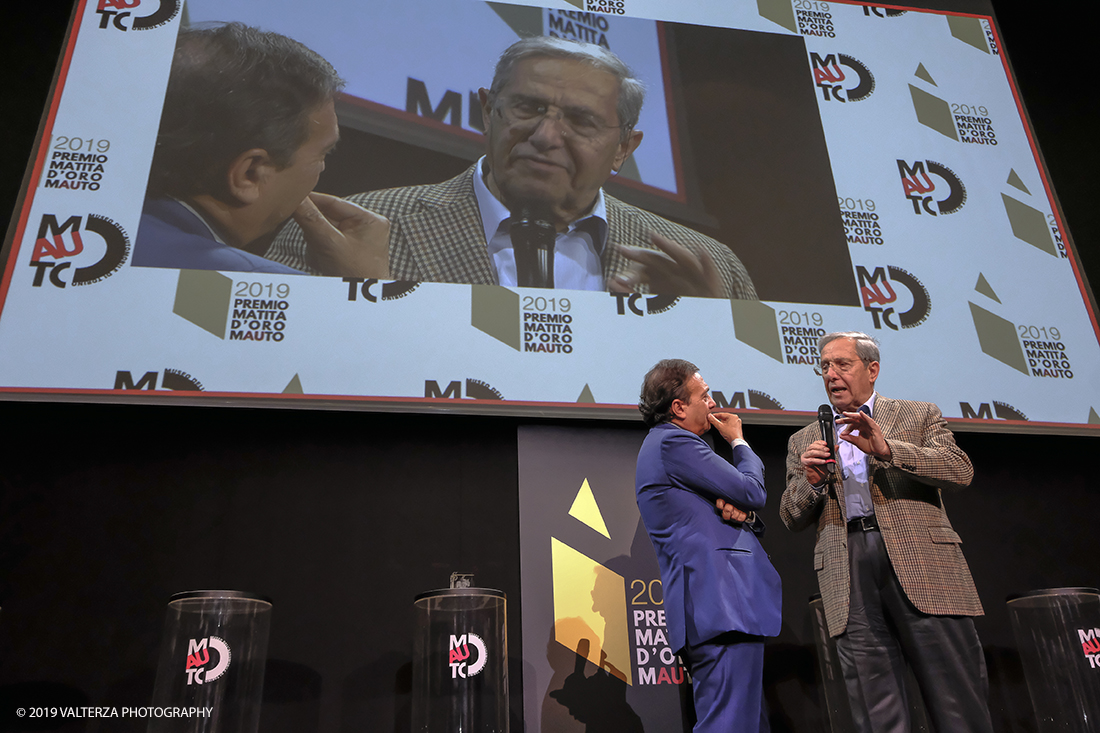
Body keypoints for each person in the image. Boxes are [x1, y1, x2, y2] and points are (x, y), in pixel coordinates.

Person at [267, 36, 756, 298]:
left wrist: (708, 328)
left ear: (624, 148)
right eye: (526, 108)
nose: (545, 137)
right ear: (487, 111)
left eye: (581, 121)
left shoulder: (713, 270)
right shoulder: (340, 235)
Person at [781, 332, 994, 733]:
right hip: (847, 566)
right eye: (824, 366)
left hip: (922, 563)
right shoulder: (803, 440)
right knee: (875, 708)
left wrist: (889, 450)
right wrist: (810, 483)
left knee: (957, 700)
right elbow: (790, 516)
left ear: (872, 369)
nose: (831, 374)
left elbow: (958, 470)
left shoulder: (916, 415)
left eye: (842, 364)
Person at [133, 22, 389, 277]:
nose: (322, 167)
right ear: (251, 174)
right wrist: (368, 289)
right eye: (323, 154)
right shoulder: (257, 288)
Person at [635, 359, 781, 732]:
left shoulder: (667, 448)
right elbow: (752, 491)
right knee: (729, 725)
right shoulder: (674, 441)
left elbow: (736, 509)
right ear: (678, 407)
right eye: (704, 395)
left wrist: (744, 516)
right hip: (721, 605)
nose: (713, 403)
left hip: (720, 609)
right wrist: (738, 440)